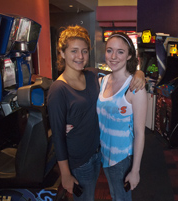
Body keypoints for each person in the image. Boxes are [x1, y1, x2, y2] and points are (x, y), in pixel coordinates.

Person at [47, 26, 145, 201]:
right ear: (62, 53)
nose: (80, 56)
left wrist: (139, 72)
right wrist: (65, 173)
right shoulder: (58, 89)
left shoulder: (92, 75)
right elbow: (58, 136)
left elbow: (120, 74)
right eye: (74, 51)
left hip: (99, 152)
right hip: (79, 158)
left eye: (84, 51)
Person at [97, 32, 147, 201]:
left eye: (120, 51)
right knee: (114, 195)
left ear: (129, 55)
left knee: (122, 198)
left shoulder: (135, 87)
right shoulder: (101, 82)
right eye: (109, 50)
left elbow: (140, 133)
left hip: (122, 158)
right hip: (104, 153)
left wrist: (135, 170)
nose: (113, 56)